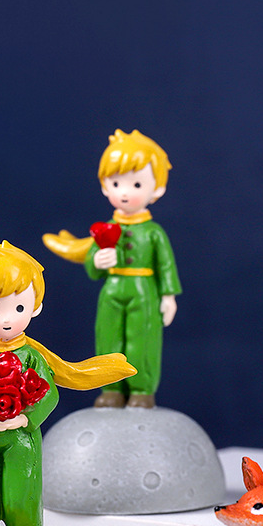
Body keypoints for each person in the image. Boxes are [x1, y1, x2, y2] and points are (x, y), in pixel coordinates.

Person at [0, 241, 135, 526]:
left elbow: (48, 394)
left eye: (18, 307)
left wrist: (24, 418)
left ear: (35, 307)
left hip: (22, 437)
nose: (7, 319)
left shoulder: (32, 357)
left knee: (22, 491)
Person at [43, 129, 181, 408]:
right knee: (108, 338)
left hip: (143, 292)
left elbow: (166, 265)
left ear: (157, 189)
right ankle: (111, 388)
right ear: (105, 187)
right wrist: (96, 261)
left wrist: (168, 296)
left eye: (137, 184)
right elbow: (93, 262)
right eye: (116, 183)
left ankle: (142, 389)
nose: (125, 193)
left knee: (143, 339)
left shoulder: (153, 232)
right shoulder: (105, 229)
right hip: (112, 290)